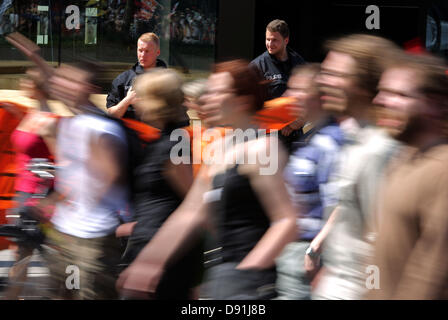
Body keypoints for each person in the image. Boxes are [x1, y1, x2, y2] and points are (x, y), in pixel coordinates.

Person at [117, 59, 297, 300]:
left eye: (216, 92)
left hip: (250, 287)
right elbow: (190, 212)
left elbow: (287, 220)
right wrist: (149, 262)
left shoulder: (263, 149)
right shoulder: (220, 149)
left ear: (242, 100)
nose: (206, 98)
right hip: (221, 278)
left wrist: (248, 273)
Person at [307, 34, 401, 300]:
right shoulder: (354, 140)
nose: (322, 81)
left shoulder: (378, 150)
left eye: (334, 74)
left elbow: (380, 240)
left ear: (361, 85)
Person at [44, 63, 129, 299]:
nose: (63, 84)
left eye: (72, 81)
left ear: (89, 88)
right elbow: (73, 179)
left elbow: (111, 175)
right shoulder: (72, 123)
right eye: (61, 79)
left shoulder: (102, 128)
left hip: (94, 238)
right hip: (65, 232)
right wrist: (51, 204)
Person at [368, 53, 448, 299]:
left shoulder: (442, 170)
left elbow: (432, 272)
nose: (381, 100)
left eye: (399, 94)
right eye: (382, 91)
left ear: (434, 104)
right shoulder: (402, 158)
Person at [119, 68, 203, 299]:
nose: (136, 104)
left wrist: (154, 260)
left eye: (142, 97)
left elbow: (192, 205)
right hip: (149, 249)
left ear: (158, 102)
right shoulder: (163, 140)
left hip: (163, 259)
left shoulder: (175, 142)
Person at [276, 63, 345, 300]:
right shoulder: (312, 138)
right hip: (296, 257)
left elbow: (342, 204)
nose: (287, 96)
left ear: (319, 97)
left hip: (312, 261)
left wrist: (315, 250)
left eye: (297, 90)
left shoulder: (333, 141)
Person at [106, 32, 167, 120]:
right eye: (140, 50)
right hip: (130, 132)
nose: (142, 55)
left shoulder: (169, 81)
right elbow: (111, 115)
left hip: (159, 131)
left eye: (147, 51)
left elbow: (179, 116)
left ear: (157, 52)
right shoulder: (123, 80)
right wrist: (127, 101)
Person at [251, 19, 305, 100]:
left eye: (274, 40)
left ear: (286, 40)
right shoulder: (257, 66)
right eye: (268, 39)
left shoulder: (299, 62)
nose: (270, 44)